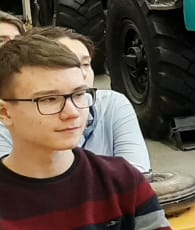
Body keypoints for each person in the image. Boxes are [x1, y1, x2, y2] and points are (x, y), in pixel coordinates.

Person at [0, 36, 193, 230]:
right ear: (4, 113)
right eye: (48, 100)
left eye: (79, 94)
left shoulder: (121, 179)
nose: (72, 112)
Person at [0, 28, 149, 174]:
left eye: (85, 64)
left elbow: (138, 173)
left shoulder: (112, 104)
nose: (80, 74)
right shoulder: (14, 115)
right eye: (65, 64)